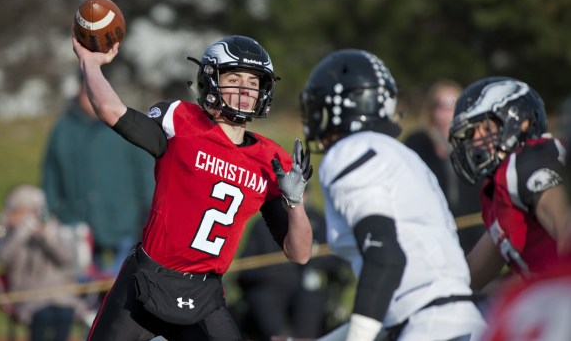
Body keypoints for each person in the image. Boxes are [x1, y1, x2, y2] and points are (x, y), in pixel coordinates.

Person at [72, 32, 314, 341]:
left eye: (253, 83)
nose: (244, 90)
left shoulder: (271, 160)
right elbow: (112, 111)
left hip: (203, 294)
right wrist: (90, 63)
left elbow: (300, 253)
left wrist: (295, 204)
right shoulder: (181, 122)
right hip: (145, 283)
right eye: (235, 79)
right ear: (211, 80)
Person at [299, 49, 486, 341]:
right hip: (465, 324)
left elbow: (385, 259)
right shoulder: (404, 155)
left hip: (429, 328)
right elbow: (401, 303)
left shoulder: (351, 150)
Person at [447, 76, 571, 290]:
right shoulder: (505, 185)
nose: (476, 141)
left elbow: (566, 232)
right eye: (470, 134)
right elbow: (468, 276)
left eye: (486, 129)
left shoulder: (528, 160)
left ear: (521, 123)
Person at [42, 75, 155, 277]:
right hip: (78, 229)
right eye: (87, 91)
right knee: (84, 300)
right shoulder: (62, 129)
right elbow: (50, 176)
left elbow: (146, 175)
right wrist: (54, 214)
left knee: (123, 294)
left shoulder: (127, 125)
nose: (91, 98)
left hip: (125, 227)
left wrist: (148, 217)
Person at [236, 187, 352, 340]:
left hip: (305, 287)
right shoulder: (262, 225)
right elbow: (246, 268)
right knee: (264, 299)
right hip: (270, 287)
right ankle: (282, 336)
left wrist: (317, 263)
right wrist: (268, 274)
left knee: (311, 298)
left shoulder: (320, 222)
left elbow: (337, 261)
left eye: (301, 194)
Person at [0, 184, 93, 341]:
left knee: (64, 312)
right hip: (26, 291)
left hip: (56, 289)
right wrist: (20, 233)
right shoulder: (2, 226)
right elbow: (0, 256)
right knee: (43, 315)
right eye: (25, 210)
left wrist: (49, 237)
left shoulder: (50, 223)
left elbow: (67, 258)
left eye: (33, 210)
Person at [404, 79, 485, 254]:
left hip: (473, 236)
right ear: (431, 109)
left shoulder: (476, 144)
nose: (448, 111)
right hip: (433, 235)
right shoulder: (418, 142)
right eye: (442, 105)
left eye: (453, 104)